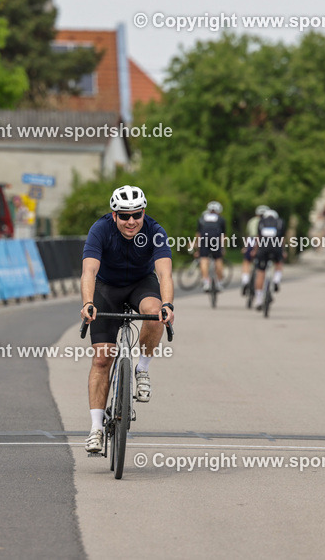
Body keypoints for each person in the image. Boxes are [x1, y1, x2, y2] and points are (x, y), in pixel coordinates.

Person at [80, 185, 175, 454]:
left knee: (156, 314)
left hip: (140, 284)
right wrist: (88, 302)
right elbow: (89, 271)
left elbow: (164, 274)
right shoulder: (100, 230)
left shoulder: (155, 232)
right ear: (114, 215)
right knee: (102, 358)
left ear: (144, 212)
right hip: (106, 288)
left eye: (136, 215)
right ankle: (96, 429)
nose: (131, 221)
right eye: (124, 216)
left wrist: (167, 304)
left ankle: (142, 368)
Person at [252, 209, 285, 309]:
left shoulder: (261, 222)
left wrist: (255, 250)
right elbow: (282, 238)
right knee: (279, 263)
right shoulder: (280, 222)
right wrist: (283, 251)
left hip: (263, 248)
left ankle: (258, 300)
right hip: (276, 247)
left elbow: (258, 238)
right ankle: (276, 280)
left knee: (260, 272)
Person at [197, 201, 228, 291]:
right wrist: (223, 247)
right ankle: (219, 283)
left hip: (204, 239)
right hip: (216, 240)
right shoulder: (221, 219)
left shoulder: (202, 218)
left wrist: (197, 248)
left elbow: (198, 234)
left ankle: (206, 282)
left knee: (203, 259)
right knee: (218, 259)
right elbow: (223, 236)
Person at [240, 205, 268, 295]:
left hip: (251, 241)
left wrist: (245, 247)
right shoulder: (268, 221)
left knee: (246, 261)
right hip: (264, 242)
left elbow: (248, 234)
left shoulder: (252, 221)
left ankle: (245, 280)